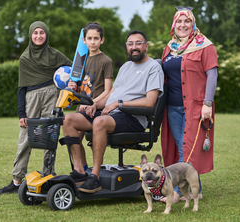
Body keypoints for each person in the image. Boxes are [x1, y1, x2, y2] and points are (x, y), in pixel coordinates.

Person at [62, 30, 164, 193]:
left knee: (99, 121)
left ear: (146, 45)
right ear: (127, 47)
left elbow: (150, 101)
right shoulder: (125, 66)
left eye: (138, 43)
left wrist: (119, 104)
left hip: (133, 117)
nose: (134, 47)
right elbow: (110, 95)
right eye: (130, 44)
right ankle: (80, 172)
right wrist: (94, 104)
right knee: (68, 120)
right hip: (112, 114)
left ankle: (94, 178)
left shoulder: (153, 68)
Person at [0, 21, 72, 194]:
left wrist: (67, 87)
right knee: (26, 139)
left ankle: (48, 175)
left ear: (46, 35)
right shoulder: (24, 58)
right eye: (35, 33)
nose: (39, 36)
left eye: (42, 33)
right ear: (31, 35)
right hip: (32, 97)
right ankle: (16, 180)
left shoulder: (54, 54)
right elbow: (21, 87)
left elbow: (74, 69)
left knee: (50, 137)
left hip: (52, 95)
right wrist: (21, 113)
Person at [160, 6, 219, 203]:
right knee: (180, 148)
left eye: (187, 21)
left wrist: (208, 103)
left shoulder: (205, 45)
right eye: (179, 21)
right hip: (172, 107)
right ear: (173, 25)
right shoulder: (169, 47)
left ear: (193, 24)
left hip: (196, 107)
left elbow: (212, 75)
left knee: (188, 149)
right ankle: (196, 191)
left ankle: (176, 192)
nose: (183, 25)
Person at [67, 23, 113, 181]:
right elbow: (81, 86)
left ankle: (87, 172)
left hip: (96, 109)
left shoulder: (106, 61)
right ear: (84, 40)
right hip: (81, 107)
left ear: (102, 40)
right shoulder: (81, 60)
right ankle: (82, 169)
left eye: (96, 38)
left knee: (77, 133)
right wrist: (73, 86)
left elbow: (108, 91)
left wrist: (93, 103)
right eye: (89, 38)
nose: (93, 42)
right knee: (74, 138)